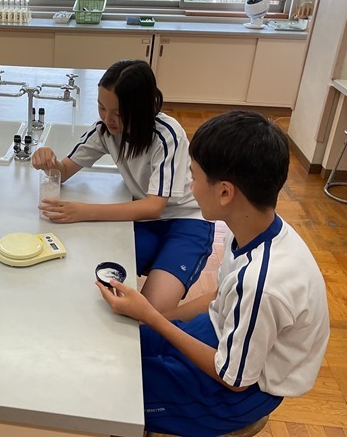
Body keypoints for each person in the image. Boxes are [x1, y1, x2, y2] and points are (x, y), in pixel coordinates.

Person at [96, 111, 330, 436]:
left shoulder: (262, 282)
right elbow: (220, 296)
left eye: (193, 176)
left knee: (111, 388)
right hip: (218, 335)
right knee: (117, 345)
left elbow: (234, 378)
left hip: (236, 394)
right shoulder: (252, 228)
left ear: (224, 193)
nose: (189, 186)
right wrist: (152, 318)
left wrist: (151, 316)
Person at [32, 60, 214, 312]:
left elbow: (154, 207)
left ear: (142, 108)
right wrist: (49, 162)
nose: (108, 119)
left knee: (150, 312)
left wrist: (85, 211)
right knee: (94, 280)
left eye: (118, 113)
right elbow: (63, 172)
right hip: (144, 221)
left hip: (186, 221)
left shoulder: (167, 134)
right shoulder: (104, 131)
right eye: (101, 107)